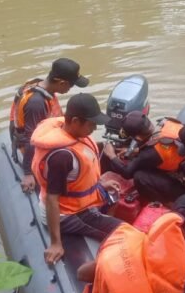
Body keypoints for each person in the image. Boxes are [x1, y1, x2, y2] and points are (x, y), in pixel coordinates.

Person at [31, 93, 123, 265]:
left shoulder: (74, 136)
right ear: (74, 121)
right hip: (69, 214)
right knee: (124, 232)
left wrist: (100, 183)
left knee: (116, 198)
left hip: (80, 201)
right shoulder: (62, 157)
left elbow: (78, 176)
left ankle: (104, 221)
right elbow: (52, 199)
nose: (95, 129)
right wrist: (55, 243)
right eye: (92, 124)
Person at [9, 57, 90, 194]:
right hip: (29, 145)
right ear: (62, 82)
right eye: (71, 85)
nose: (70, 89)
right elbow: (31, 138)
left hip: (43, 132)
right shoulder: (37, 103)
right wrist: (28, 172)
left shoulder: (39, 85)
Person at [102, 112, 185, 205]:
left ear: (136, 137)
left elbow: (127, 173)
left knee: (140, 176)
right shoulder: (167, 123)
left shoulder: (150, 154)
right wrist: (135, 151)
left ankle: (165, 204)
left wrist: (111, 155)